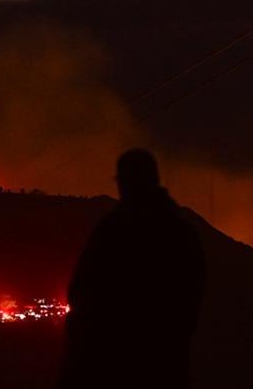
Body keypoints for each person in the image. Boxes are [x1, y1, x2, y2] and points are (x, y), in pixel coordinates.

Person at [59, 149, 205, 388]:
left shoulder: (114, 232)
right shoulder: (182, 234)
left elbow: (82, 293)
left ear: (125, 181)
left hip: (113, 368)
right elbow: (191, 301)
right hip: (166, 368)